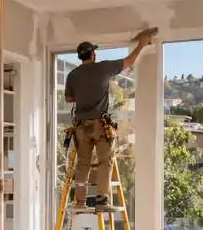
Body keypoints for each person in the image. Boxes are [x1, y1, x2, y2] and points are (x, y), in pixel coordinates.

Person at [63, 32, 152, 210]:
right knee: (105, 161)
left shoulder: (73, 75)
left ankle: (79, 203)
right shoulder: (103, 68)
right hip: (99, 126)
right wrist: (141, 44)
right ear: (93, 55)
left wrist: (83, 94)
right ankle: (102, 200)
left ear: (80, 57)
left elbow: (69, 99)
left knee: (83, 164)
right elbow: (129, 60)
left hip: (80, 126)